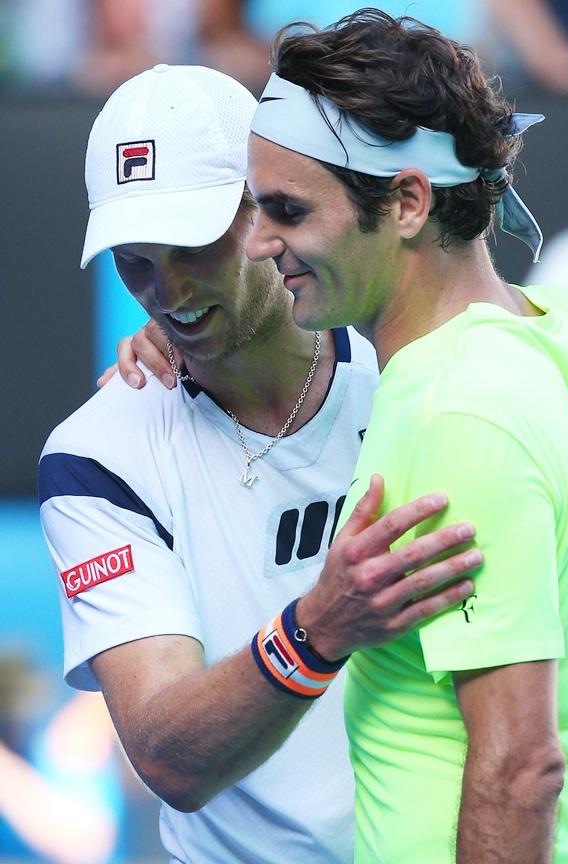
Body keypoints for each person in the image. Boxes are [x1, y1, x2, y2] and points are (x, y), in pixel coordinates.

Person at [38, 63, 483, 863]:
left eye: (194, 246)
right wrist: (317, 630)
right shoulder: (94, 456)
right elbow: (167, 756)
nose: (166, 289)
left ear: (267, 206)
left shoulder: (417, 363)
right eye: (133, 258)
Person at [237, 8, 568, 862]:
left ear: (408, 201)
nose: (257, 241)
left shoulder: (447, 404)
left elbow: (520, 769)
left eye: (285, 209)